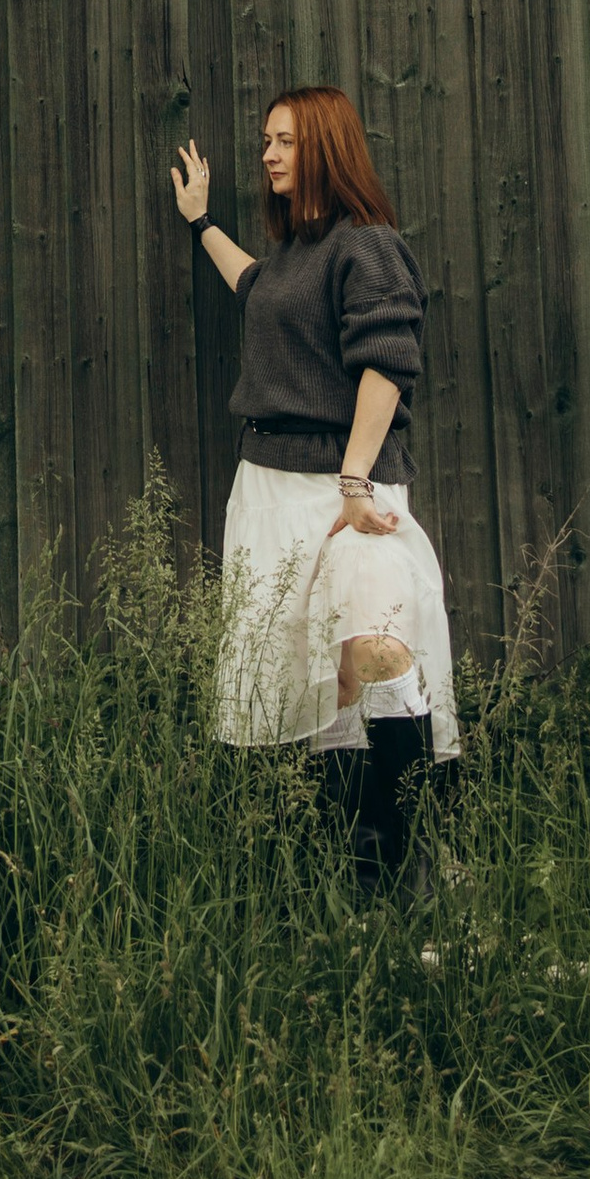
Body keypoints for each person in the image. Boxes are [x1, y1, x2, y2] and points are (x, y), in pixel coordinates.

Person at [171, 86, 459, 882]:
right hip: (269, 491)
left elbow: (387, 361)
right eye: (266, 139)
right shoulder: (299, 253)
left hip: (345, 494)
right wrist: (201, 224)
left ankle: (412, 862)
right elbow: (254, 288)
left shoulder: (366, 246)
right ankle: (360, 874)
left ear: (327, 146)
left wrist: (356, 481)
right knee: (314, 681)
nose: (268, 155)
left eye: (285, 141)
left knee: (374, 650)